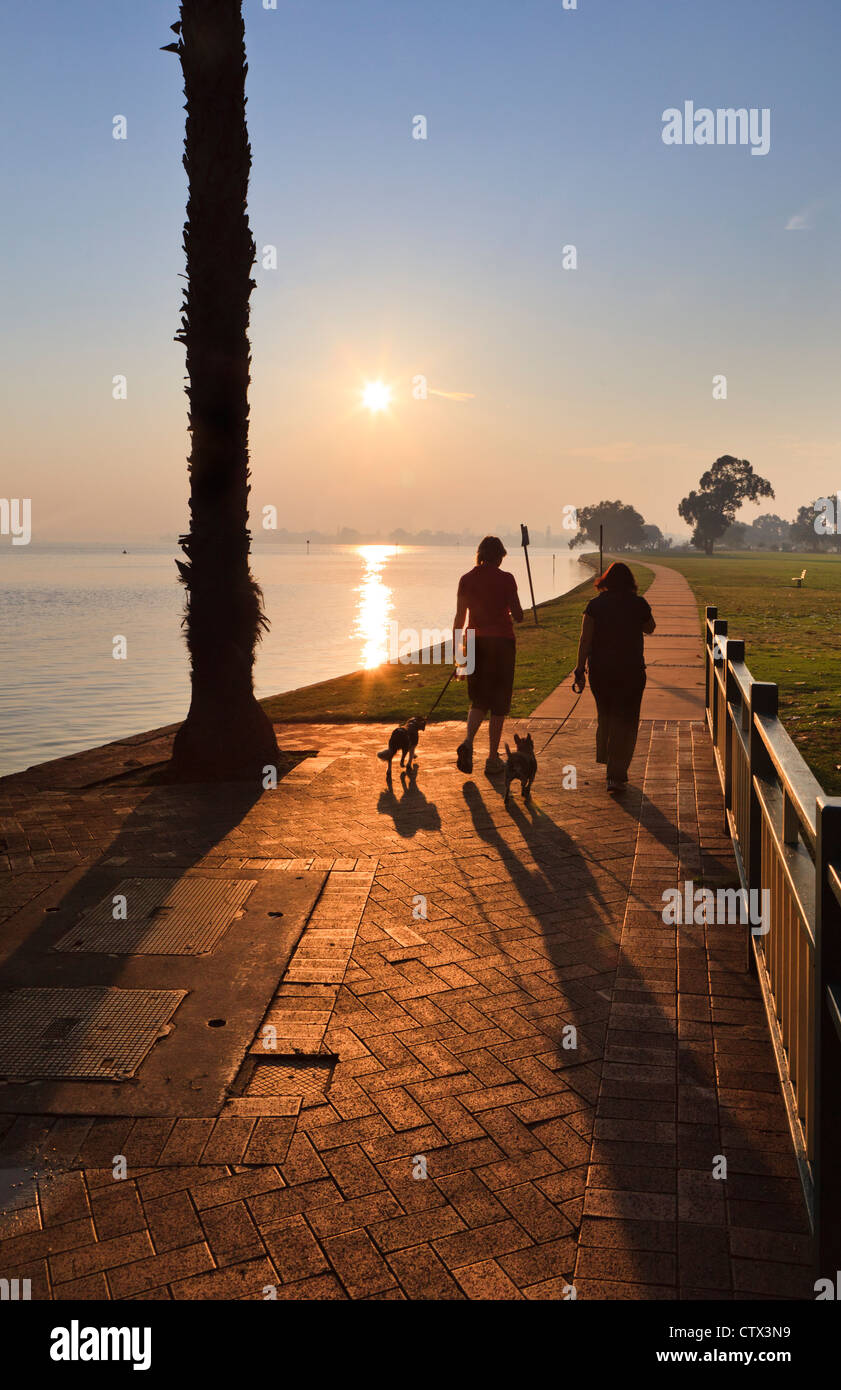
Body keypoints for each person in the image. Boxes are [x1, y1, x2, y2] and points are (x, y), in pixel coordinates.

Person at [573, 561, 655, 792]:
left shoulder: (594, 606)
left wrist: (580, 670)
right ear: (630, 582)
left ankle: (610, 765)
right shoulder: (638, 604)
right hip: (631, 671)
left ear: (606, 581)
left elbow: (585, 640)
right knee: (627, 720)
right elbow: (651, 628)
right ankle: (617, 773)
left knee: (607, 716)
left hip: (601, 672)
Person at [453, 535, 524, 775]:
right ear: (500, 556)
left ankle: (468, 742)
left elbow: (459, 619)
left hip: (473, 642)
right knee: (499, 704)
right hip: (502, 643)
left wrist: (459, 657)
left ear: (480, 554)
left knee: (479, 700)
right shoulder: (507, 579)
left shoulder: (466, 579)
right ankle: (492, 758)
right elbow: (518, 614)